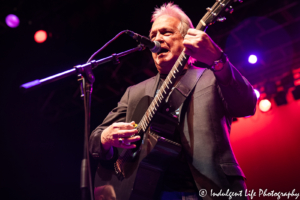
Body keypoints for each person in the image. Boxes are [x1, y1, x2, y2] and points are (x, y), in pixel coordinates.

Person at [89, 3, 257, 200]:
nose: (157, 39)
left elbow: (247, 105)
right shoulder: (134, 92)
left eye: (166, 32)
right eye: (153, 36)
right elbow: (94, 139)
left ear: (187, 39)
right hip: (149, 192)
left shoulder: (212, 77)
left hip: (209, 189)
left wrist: (218, 60)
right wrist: (105, 138)